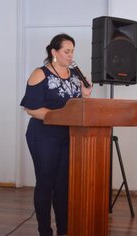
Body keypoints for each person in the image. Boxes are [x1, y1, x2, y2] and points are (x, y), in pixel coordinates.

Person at [20, 33, 92, 236]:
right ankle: (45, 231)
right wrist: (59, 116)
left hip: (68, 136)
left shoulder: (76, 75)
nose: (70, 56)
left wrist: (85, 97)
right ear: (54, 52)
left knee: (63, 186)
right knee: (46, 184)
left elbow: (78, 110)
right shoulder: (40, 73)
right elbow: (31, 109)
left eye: (72, 52)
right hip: (43, 136)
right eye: (66, 51)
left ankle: (64, 230)